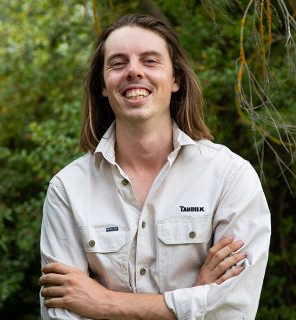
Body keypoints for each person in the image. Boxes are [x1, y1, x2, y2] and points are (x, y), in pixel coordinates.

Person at [39, 14, 271, 320]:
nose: (134, 71)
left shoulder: (229, 177)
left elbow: (233, 309)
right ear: (103, 86)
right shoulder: (68, 190)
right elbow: (62, 313)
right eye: (118, 63)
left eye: (150, 61)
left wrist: (106, 303)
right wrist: (193, 300)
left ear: (175, 79)